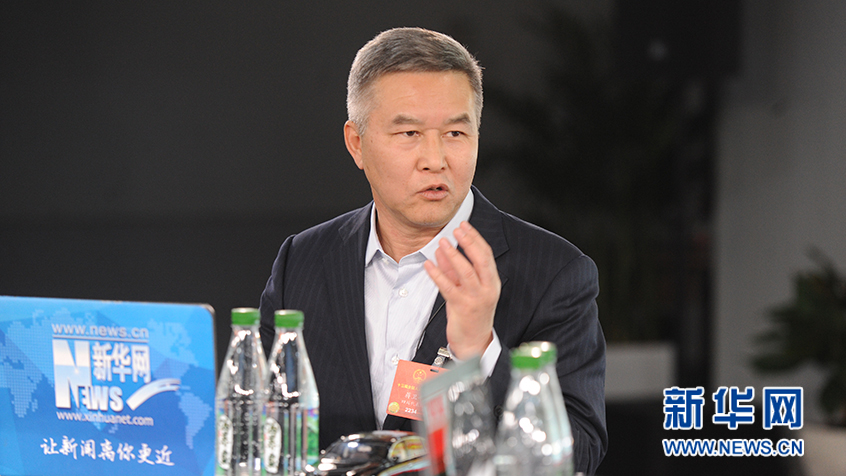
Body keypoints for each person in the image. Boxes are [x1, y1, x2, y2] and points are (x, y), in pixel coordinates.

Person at [259, 27, 607, 474]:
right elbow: (263, 430)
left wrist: (480, 349)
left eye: (455, 133)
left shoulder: (555, 273)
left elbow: (578, 455)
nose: (435, 159)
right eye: (409, 133)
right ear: (357, 143)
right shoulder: (303, 260)